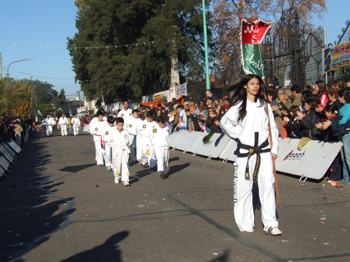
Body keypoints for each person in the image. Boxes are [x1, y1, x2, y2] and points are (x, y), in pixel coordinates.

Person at [220, 74, 281, 236]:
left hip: (264, 150)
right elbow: (224, 123)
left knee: (268, 185)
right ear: (245, 86)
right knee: (244, 187)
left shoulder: (265, 106)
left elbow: (272, 129)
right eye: (252, 83)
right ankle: (246, 222)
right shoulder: (240, 105)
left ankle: (270, 223)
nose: (255, 86)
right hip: (246, 152)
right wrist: (239, 134)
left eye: (257, 84)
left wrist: (274, 149)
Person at [108, 117, 132, 186]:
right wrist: (115, 146)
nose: (120, 127)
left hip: (124, 150)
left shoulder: (125, 132)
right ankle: (117, 176)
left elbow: (130, 140)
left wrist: (127, 145)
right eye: (119, 125)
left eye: (122, 125)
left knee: (125, 164)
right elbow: (109, 141)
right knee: (116, 165)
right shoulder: (113, 133)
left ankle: (125, 179)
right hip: (117, 151)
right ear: (116, 125)